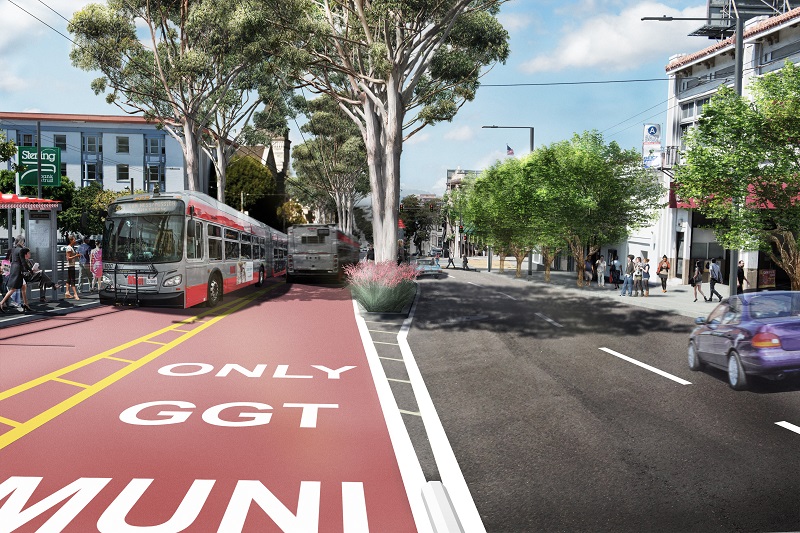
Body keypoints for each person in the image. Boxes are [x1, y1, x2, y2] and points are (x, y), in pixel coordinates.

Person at [0, 245, 32, 313]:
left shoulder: (14, 254)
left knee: (24, 287)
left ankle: (26, 304)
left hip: (16, 273)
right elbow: (23, 263)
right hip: (16, 274)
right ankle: (1, 303)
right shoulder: (20, 252)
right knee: (13, 289)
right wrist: (30, 270)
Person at [65, 235, 81, 301]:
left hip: (71, 265)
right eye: (74, 239)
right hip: (70, 265)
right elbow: (68, 258)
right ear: (71, 240)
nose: (75, 241)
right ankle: (75, 294)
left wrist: (76, 256)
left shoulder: (71, 247)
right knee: (72, 279)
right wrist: (76, 256)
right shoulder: (69, 248)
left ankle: (67, 292)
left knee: (69, 279)